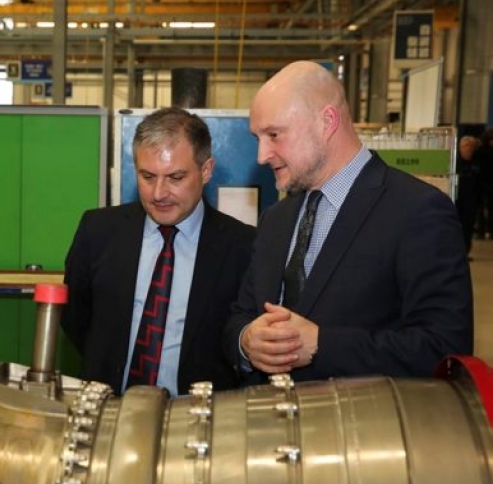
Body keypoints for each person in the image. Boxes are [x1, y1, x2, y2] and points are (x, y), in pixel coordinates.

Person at [224, 60, 473, 385]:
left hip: (363, 429)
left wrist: (322, 345)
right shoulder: (277, 218)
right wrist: (246, 341)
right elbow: (239, 316)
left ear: (327, 121)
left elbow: (444, 348)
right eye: (258, 137)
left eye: (274, 134)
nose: (261, 155)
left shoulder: (418, 211)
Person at [61, 107, 256, 396]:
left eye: (175, 178)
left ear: (206, 171)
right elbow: (76, 318)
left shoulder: (243, 247)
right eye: (147, 176)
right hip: (110, 410)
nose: (158, 193)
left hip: (197, 419)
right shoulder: (98, 231)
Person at [455, 135, 481, 258]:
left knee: (468, 227)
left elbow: (481, 182)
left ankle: (465, 251)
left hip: (471, 201)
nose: (468, 149)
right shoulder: (455, 163)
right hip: (457, 200)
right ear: (460, 148)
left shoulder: (478, 162)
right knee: (456, 227)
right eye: (465, 146)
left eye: (470, 147)